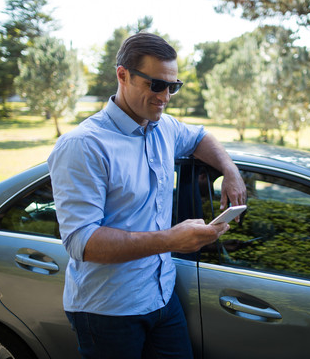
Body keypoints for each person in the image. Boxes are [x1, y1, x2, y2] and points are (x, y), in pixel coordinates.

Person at [48, 32, 246, 359]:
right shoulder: (83, 145)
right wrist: (170, 240)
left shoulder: (163, 127)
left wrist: (230, 170)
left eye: (173, 86)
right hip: (107, 312)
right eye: (156, 85)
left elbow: (199, 136)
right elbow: (82, 241)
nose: (166, 96)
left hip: (162, 298)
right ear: (122, 75)